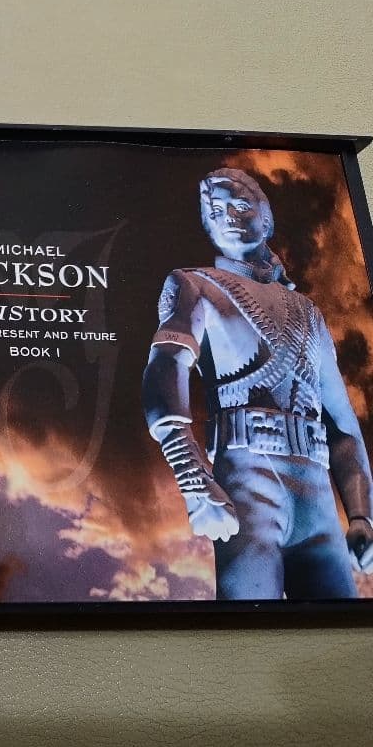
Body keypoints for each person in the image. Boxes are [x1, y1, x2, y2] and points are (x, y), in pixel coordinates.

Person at [142, 167, 373, 599]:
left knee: (342, 626)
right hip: (247, 480)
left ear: (265, 218)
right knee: (246, 621)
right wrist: (193, 478)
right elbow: (166, 367)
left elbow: (342, 426)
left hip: (317, 492)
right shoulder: (194, 285)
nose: (227, 216)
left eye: (239, 204)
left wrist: (362, 514)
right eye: (215, 210)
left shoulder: (309, 313)